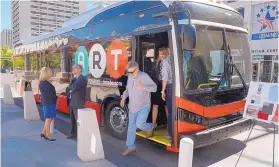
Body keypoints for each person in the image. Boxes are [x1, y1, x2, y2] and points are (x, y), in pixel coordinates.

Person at [120, 61, 157, 156]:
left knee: (140, 124)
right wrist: (123, 98)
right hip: (133, 106)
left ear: (137, 69)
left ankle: (151, 127)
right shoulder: (129, 76)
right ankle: (130, 147)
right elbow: (127, 90)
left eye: (132, 72)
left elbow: (155, 88)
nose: (130, 74)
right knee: (131, 127)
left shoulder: (144, 76)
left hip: (143, 106)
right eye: (128, 72)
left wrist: (143, 86)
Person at [67, 64, 88, 139]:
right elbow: (69, 87)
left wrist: (71, 87)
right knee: (72, 119)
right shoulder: (74, 79)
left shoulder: (82, 79)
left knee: (78, 120)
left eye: (76, 68)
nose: (74, 69)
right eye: (73, 68)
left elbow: (73, 87)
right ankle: (73, 134)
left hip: (78, 102)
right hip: (72, 101)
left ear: (80, 70)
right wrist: (71, 87)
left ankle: (81, 136)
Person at [150, 52, 168, 128]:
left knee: (166, 106)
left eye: (163, 54)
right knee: (158, 105)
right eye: (160, 54)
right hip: (159, 87)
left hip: (164, 87)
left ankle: (169, 126)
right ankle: (154, 125)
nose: (161, 55)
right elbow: (152, 76)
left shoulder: (165, 64)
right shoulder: (156, 64)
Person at [39, 67, 57, 141]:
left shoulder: (42, 83)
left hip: (47, 103)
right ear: (47, 74)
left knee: (49, 118)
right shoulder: (46, 84)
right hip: (49, 103)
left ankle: (43, 133)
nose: (51, 74)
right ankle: (48, 135)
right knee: (49, 119)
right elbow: (49, 95)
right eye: (50, 72)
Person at [161, 47, 172, 140]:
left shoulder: (165, 62)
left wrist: (162, 91)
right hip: (177, 86)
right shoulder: (176, 60)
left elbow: (165, 77)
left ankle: (170, 134)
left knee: (170, 111)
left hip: (169, 87)